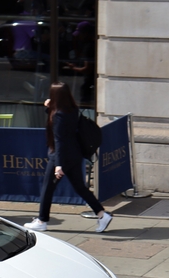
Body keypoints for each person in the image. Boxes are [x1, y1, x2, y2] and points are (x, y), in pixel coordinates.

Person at [24, 82, 112, 233]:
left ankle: (42, 221)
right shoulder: (72, 109)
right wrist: (49, 108)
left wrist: (59, 165)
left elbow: (59, 139)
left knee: (47, 189)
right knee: (79, 188)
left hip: (61, 157)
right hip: (75, 154)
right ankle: (101, 214)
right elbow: (64, 126)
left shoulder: (58, 115)